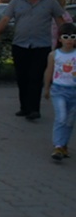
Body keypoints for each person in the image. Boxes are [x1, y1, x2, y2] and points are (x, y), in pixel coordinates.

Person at [0, 0, 65, 121]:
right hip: (20, 44)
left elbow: (59, 20)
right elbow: (5, 19)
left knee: (35, 77)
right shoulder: (16, 2)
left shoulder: (50, 2)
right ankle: (24, 107)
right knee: (22, 77)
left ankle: (34, 110)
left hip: (41, 46)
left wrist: (66, 37)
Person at [43, 22, 76, 161]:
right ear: (60, 39)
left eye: (73, 37)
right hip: (58, 90)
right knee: (61, 117)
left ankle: (64, 146)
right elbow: (49, 71)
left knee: (69, 121)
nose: (69, 40)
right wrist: (47, 88)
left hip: (74, 92)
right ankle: (57, 145)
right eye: (66, 37)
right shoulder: (54, 55)